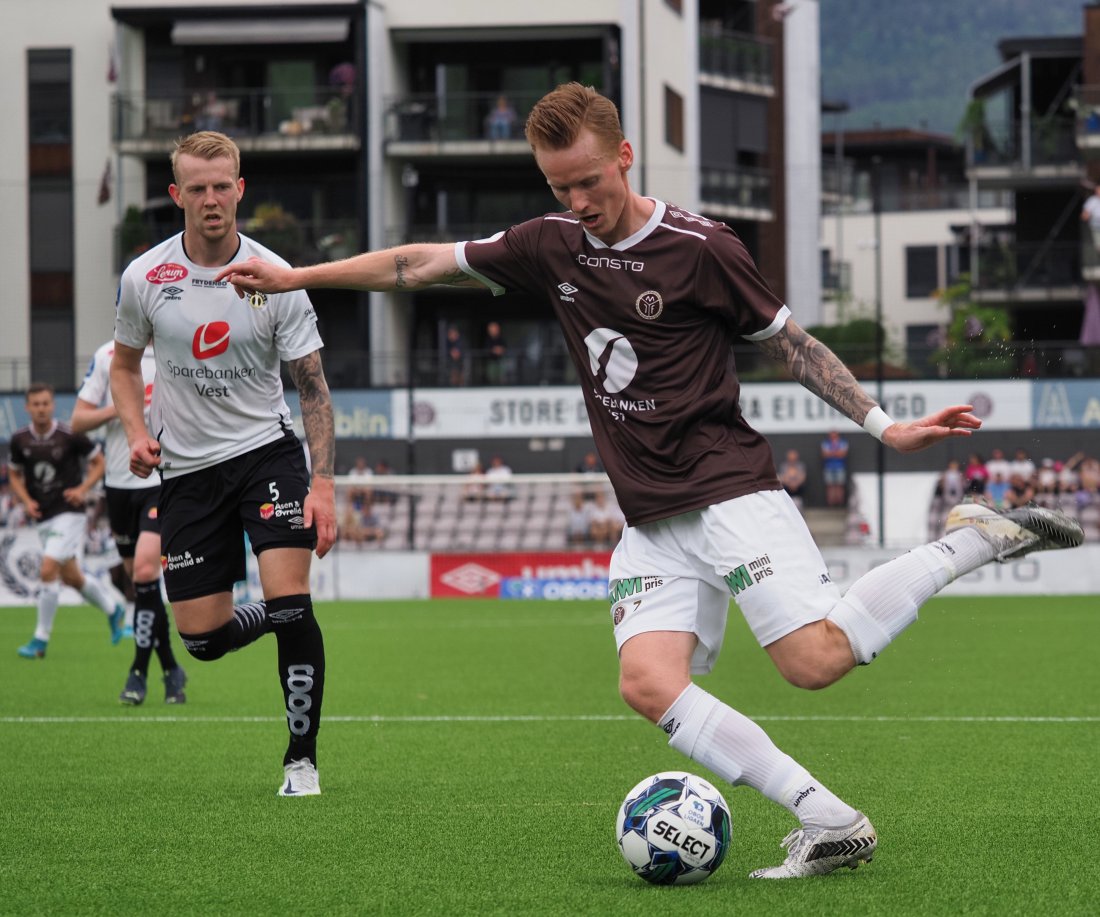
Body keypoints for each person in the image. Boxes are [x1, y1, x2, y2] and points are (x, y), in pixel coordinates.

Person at [215, 83, 1084, 875]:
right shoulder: (549, 243)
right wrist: (297, 276)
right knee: (646, 682)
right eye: (560, 187)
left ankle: (969, 540)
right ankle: (828, 818)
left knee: (813, 661)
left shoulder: (702, 247)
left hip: (728, 491)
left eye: (589, 181)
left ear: (625, 156)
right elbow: (419, 264)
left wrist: (884, 424)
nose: (577, 202)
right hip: (650, 518)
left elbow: (792, 345)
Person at [111, 131, 336, 796]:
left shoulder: (276, 277)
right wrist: (135, 432)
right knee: (202, 640)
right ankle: (272, 612)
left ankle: (301, 761)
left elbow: (312, 387)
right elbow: (124, 366)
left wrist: (323, 482)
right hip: (186, 471)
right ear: (177, 195)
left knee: (292, 604)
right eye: (197, 189)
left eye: (221, 187)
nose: (211, 199)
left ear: (240, 190)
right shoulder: (145, 278)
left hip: (267, 454)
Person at [72, 340, 188, 704]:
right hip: (119, 486)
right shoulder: (108, 355)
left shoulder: (177, 347)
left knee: (143, 571)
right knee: (143, 587)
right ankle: (172, 669)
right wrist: (122, 408)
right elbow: (77, 421)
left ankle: (138, 673)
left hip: (161, 481)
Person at [10, 383, 127, 658]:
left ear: (52, 406)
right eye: (36, 404)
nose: (41, 409)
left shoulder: (70, 435)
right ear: (27, 408)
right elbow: (14, 474)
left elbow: (100, 463)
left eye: (45, 403)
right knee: (72, 578)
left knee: (48, 568)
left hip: (70, 513)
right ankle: (113, 609)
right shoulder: (19, 440)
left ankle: (40, 640)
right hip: (43, 517)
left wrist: (83, 489)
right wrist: (26, 500)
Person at [820, 430, 849, 507]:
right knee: (830, 486)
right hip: (828, 467)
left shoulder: (842, 443)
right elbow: (824, 455)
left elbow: (843, 454)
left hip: (840, 467)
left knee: (839, 485)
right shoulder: (825, 443)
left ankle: (840, 503)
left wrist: (831, 453)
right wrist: (837, 452)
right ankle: (831, 504)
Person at [1081, 184, 1100, 252]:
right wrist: (1086, 216)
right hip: (1096, 226)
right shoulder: (1092, 200)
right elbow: (1084, 215)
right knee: (1098, 245)